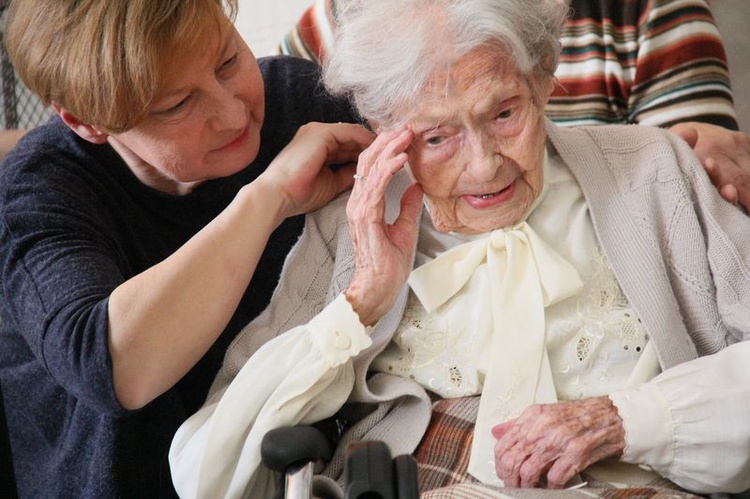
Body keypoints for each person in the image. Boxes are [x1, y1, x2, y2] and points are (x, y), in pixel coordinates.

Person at [169, 0, 750, 497]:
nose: (483, 164)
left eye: (504, 113)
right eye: (437, 137)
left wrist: (623, 420)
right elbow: (205, 470)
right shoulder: (351, 228)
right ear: (380, 123)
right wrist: (362, 302)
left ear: (543, 78)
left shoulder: (654, 172)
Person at [0, 0, 370, 497]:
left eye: (227, 61)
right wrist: (269, 197)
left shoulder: (297, 99)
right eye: (177, 105)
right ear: (85, 121)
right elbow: (117, 366)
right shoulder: (41, 191)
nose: (233, 111)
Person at [280, 0, 750, 212]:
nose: (482, 166)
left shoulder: (648, 9)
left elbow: (694, 190)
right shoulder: (335, 27)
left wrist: (696, 156)